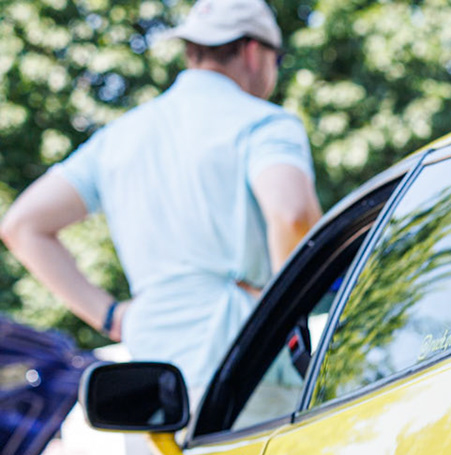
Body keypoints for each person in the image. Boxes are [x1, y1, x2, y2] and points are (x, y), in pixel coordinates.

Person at [0, 0, 321, 405]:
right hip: (250, 375)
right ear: (255, 53)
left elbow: (21, 226)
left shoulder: (119, 137)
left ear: (193, 50)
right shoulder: (264, 122)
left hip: (152, 386)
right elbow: (292, 216)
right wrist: (282, 318)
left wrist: (113, 316)